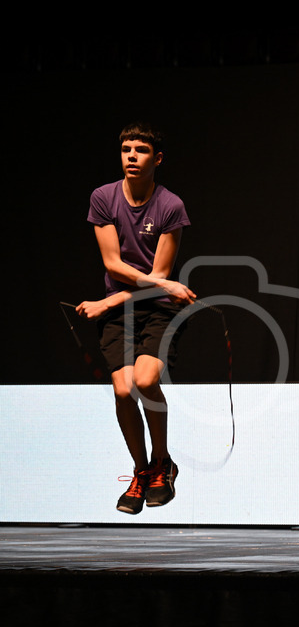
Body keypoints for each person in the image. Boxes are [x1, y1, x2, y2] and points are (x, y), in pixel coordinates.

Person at [76, 122, 196, 514]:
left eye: (140, 150)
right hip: (120, 308)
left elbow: (157, 279)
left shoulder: (170, 206)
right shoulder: (103, 198)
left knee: (145, 381)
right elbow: (114, 264)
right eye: (126, 149)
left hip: (159, 308)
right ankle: (141, 471)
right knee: (124, 390)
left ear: (156, 158)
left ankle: (163, 463)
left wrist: (109, 302)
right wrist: (113, 304)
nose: (131, 156)